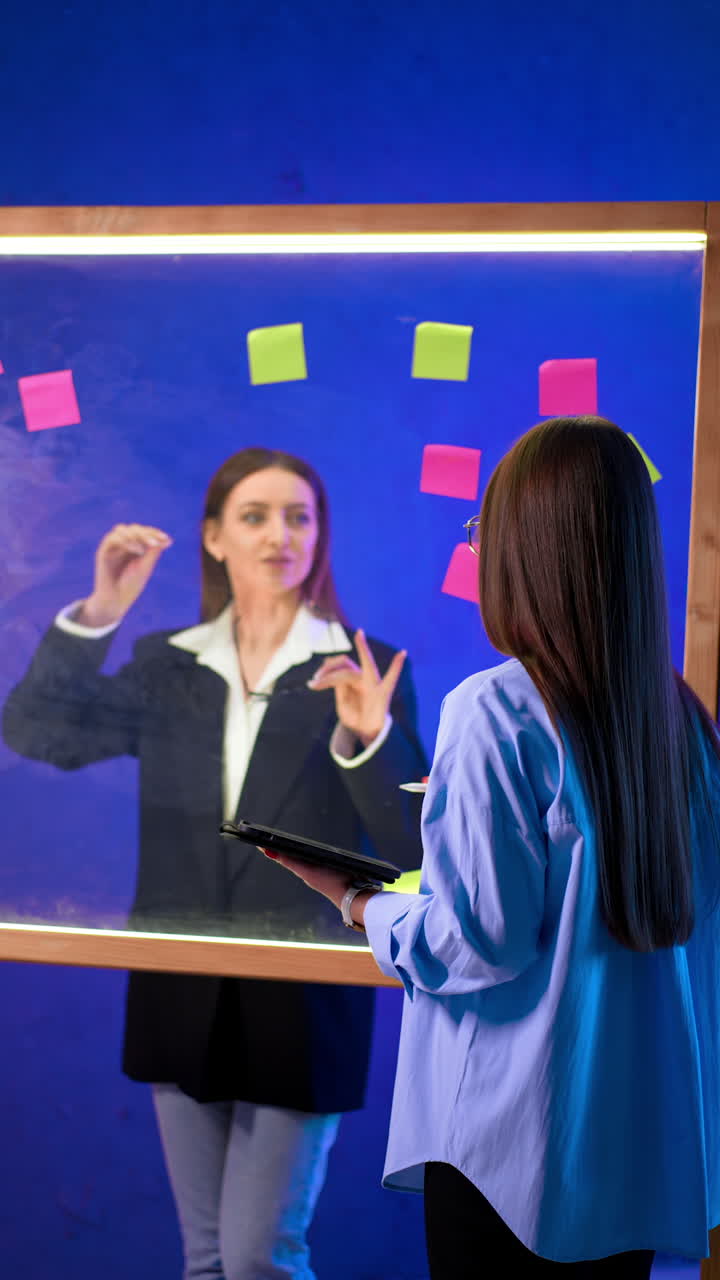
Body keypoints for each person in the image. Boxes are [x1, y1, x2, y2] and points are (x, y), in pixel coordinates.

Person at [264, 416, 720, 1278]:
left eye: (483, 528)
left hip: (512, 1151)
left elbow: (480, 940)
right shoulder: (683, 721)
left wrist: (362, 904)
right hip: (631, 1153)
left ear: (525, 548)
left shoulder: (495, 708)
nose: (476, 548)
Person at [2, 446, 427, 1280]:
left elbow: (413, 846)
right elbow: (36, 731)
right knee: (204, 1261)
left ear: (320, 536)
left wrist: (366, 737)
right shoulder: (169, 663)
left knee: (260, 1257)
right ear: (214, 537)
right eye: (255, 516)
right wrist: (101, 609)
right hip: (180, 989)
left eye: (298, 517)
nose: (279, 536)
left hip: (303, 1001)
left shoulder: (360, 666)